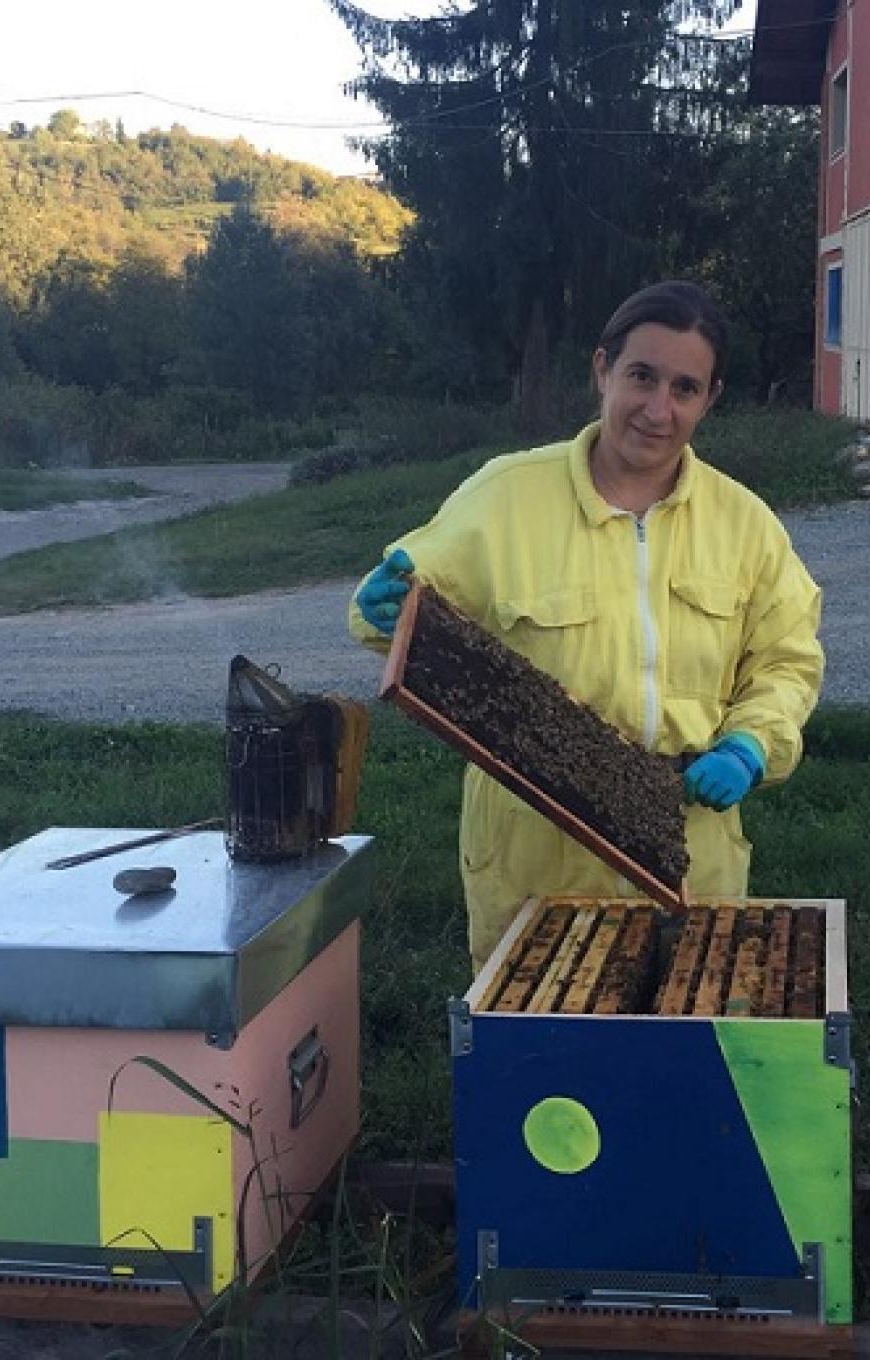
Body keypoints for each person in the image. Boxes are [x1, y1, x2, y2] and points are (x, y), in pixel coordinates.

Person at [348, 281, 824, 969]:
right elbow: (410, 595)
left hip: (690, 851)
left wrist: (753, 742)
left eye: (685, 388)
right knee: (544, 1071)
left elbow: (787, 658)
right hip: (534, 858)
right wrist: (376, 607)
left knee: (685, 1062)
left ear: (709, 399)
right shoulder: (504, 496)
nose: (658, 410)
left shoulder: (745, 523)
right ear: (602, 369)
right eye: (641, 376)